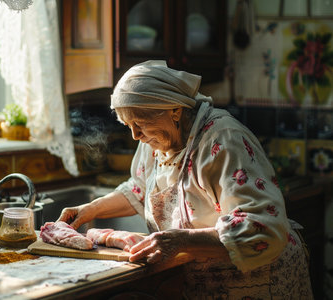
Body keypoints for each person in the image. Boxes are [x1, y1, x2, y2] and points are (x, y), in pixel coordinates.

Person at [58, 60, 313, 299]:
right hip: (206, 283)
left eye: (140, 123)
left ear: (175, 111)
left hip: (260, 280)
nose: (135, 135)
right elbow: (140, 188)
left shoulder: (223, 140)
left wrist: (181, 240)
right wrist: (89, 209)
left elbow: (263, 226)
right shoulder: (155, 139)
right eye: (127, 125)